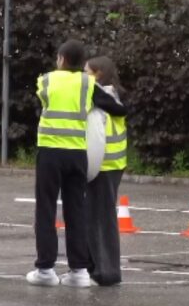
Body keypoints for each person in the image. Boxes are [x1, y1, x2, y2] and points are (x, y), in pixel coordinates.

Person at [27, 40, 127, 287]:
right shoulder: (88, 84)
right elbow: (116, 108)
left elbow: (42, 102)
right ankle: (79, 271)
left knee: (46, 210)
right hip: (77, 154)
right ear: (82, 63)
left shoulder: (47, 80)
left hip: (50, 152)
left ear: (61, 58)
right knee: (76, 211)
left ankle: (45, 269)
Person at [84, 56, 128, 286]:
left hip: (103, 165)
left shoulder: (101, 97)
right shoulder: (113, 95)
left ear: (98, 74)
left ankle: (105, 272)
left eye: (87, 71)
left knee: (100, 220)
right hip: (112, 165)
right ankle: (98, 268)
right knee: (99, 218)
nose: (83, 75)